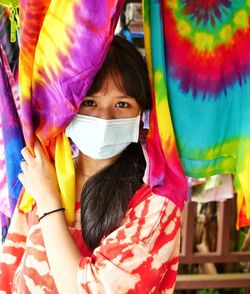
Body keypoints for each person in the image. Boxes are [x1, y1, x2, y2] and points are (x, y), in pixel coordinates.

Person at [0, 36, 181, 293]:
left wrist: (50, 204)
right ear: (68, 109)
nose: (104, 118)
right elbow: (10, 272)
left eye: (122, 104)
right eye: (89, 102)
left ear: (141, 113)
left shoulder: (156, 200)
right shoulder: (46, 176)